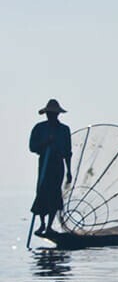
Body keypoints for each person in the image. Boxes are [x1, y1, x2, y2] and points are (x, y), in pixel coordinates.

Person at [29, 99, 73, 235]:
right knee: (42, 192)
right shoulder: (40, 128)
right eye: (49, 114)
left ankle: (49, 226)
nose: (51, 116)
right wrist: (45, 142)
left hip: (57, 164)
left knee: (54, 194)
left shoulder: (64, 130)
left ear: (57, 114)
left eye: (53, 114)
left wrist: (69, 171)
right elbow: (32, 147)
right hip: (44, 163)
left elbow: (68, 152)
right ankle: (42, 224)